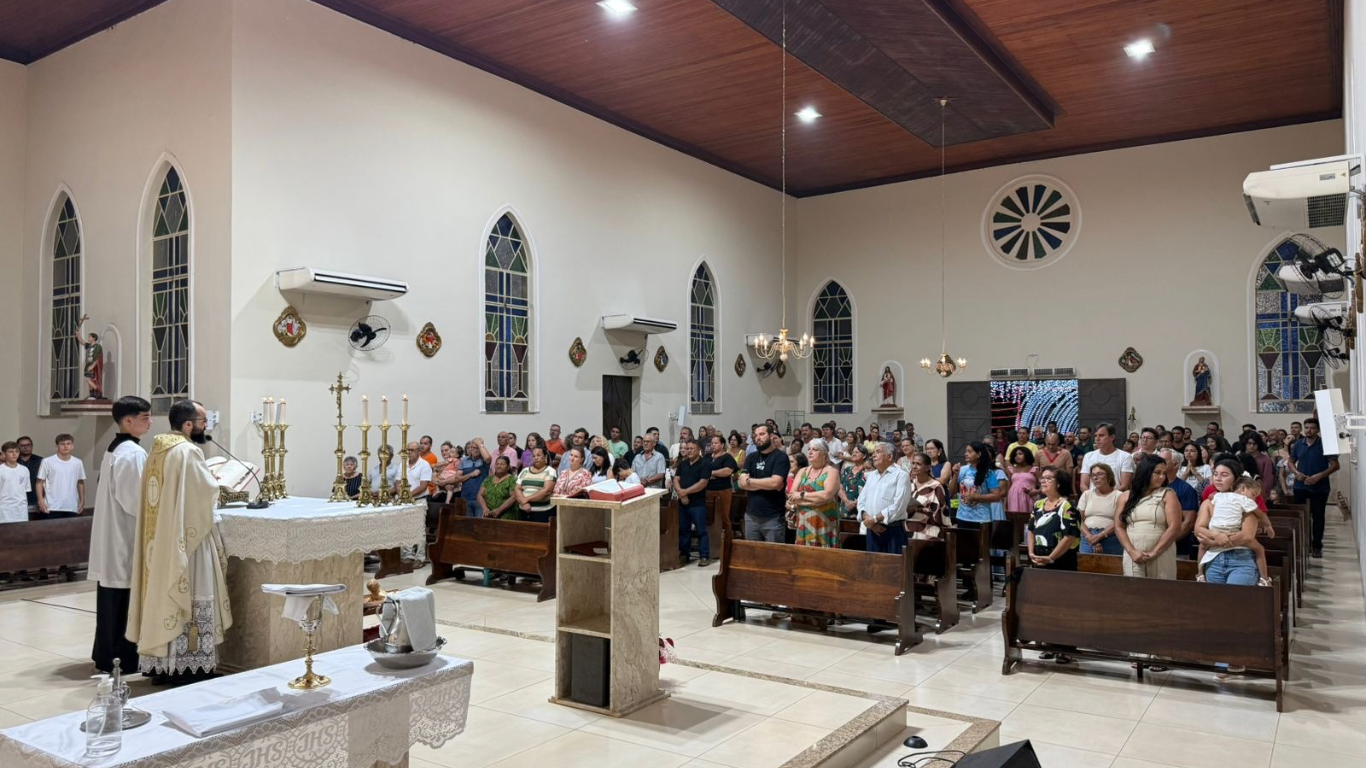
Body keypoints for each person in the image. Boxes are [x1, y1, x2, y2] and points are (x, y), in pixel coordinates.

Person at [127, 399, 231, 677]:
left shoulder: (157, 449)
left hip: (160, 540)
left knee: (162, 594)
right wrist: (217, 484)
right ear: (187, 424)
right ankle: (188, 668)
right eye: (202, 422)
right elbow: (203, 495)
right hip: (186, 541)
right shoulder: (187, 451)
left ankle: (163, 666)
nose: (205, 426)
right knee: (192, 591)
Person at [88, 395, 152, 675]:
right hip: (124, 538)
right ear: (128, 421)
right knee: (123, 601)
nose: (150, 422)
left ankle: (106, 655)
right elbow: (135, 500)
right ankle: (121, 659)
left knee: (111, 602)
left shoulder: (115, 449)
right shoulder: (132, 453)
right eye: (145, 418)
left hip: (113, 535)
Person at [1114, 454, 1182, 580]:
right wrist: (1131, 551)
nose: (1162, 477)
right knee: (1134, 589)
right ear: (1145, 472)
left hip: (1161, 553)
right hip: (1133, 554)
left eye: (1164, 473)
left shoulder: (1168, 494)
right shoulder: (1125, 496)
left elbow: (1175, 527)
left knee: (1161, 589)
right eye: (1157, 472)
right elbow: (1118, 526)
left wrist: (1154, 552)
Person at [1196, 474, 1270, 585]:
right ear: (1243, 488)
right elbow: (1198, 530)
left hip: (1240, 556)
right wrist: (1268, 525)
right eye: (1215, 474)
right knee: (1259, 549)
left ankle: (1199, 574)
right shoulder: (1221, 498)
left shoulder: (1240, 500)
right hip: (1215, 555)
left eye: (1224, 475)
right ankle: (1265, 579)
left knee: (1258, 548)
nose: (1218, 478)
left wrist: (1213, 542)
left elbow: (1246, 537)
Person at [1287, 416, 1339, 558]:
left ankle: (1316, 546)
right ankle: (1301, 544)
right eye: (1307, 428)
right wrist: (1296, 472)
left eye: (1312, 428)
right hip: (1301, 485)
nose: (1309, 430)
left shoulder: (1325, 444)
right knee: (1300, 516)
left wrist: (1319, 476)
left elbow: (1335, 465)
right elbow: (1291, 462)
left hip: (1320, 487)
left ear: (1318, 430)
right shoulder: (1298, 444)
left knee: (1318, 516)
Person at [738, 424, 790, 543]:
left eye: (762, 434)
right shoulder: (751, 457)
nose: (758, 438)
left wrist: (750, 482)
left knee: (773, 553)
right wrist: (767, 484)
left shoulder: (780, 457)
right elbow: (742, 483)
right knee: (753, 553)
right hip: (751, 515)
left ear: (771, 436)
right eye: (756, 435)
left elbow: (775, 483)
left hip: (773, 517)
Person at [858, 443, 909, 554]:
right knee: (873, 563)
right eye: (874, 452)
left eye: (878, 452)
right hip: (872, 530)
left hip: (892, 530)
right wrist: (869, 521)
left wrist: (874, 520)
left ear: (889, 457)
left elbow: (898, 506)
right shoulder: (871, 476)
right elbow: (861, 500)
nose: (873, 455)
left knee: (893, 564)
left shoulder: (901, 475)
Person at [788, 441, 840, 547]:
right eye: (809, 449)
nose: (810, 452)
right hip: (803, 523)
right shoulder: (802, 471)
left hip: (824, 523)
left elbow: (827, 495)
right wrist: (817, 501)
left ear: (824, 454)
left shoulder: (832, 472)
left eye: (815, 449)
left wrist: (802, 495)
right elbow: (792, 496)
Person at [1027, 467, 1079, 571]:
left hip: (1062, 560)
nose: (1043, 481)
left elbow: (1070, 536)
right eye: (1042, 478)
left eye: (1048, 478)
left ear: (1059, 483)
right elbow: (1031, 530)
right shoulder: (1038, 504)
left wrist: (1051, 558)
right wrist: (1031, 553)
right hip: (1039, 558)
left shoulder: (1068, 506)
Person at [949, 442, 1007, 528]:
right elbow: (951, 492)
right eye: (966, 451)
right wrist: (955, 475)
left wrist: (976, 497)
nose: (966, 454)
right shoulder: (963, 469)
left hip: (981, 518)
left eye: (969, 452)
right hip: (962, 516)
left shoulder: (988, 472)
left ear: (978, 454)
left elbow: (996, 496)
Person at [674, 440, 712, 565]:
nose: (688, 451)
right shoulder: (683, 464)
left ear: (699, 450)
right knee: (684, 529)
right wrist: (680, 493)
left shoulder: (705, 464)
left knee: (701, 530)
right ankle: (685, 554)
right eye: (687, 448)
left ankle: (704, 556)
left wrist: (685, 492)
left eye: (691, 449)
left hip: (697, 503)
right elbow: (676, 479)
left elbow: (702, 483)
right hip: (683, 502)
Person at [36, 433, 86, 518]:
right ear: (57, 446)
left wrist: (82, 500)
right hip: (51, 506)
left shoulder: (78, 462)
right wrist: (40, 501)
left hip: (71, 506)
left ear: (72, 446)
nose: (65, 446)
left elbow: (80, 482)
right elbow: (39, 483)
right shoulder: (47, 461)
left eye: (68, 444)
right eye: (62, 444)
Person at [1077, 463, 1122, 554]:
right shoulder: (1086, 494)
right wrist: (1090, 537)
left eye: (1099, 474)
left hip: (1111, 537)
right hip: (1088, 537)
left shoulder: (1119, 495)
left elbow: (1120, 521)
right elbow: (1078, 520)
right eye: (1093, 475)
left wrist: (1100, 535)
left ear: (1109, 476)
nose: (1095, 478)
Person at [1079, 423, 1134, 492]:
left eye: (1101, 435)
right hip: (1092, 496)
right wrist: (1091, 496)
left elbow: (1124, 486)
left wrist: (1107, 496)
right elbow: (1083, 484)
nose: (1097, 439)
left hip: (1116, 496)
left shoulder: (1125, 456)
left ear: (1112, 437)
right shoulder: (1088, 456)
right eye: (1095, 436)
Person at [905, 452, 947, 541]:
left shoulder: (936, 486)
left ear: (927, 468)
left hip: (928, 531)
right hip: (909, 529)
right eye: (913, 463)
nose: (914, 466)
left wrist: (917, 509)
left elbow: (939, 512)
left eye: (918, 464)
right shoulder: (910, 484)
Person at [514, 446, 557, 523]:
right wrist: (524, 503)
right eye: (533, 456)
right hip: (523, 511)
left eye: (538, 455)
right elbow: (517, 488)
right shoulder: (525, 471)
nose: (536, 458)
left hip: (543, 512)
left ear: (545, 457)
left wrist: (527, 499)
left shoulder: (550, 471)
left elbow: (547, 490)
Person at [1240, 432, 1276, 501]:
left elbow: (1267, 480)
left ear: (1258, 445)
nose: (1251, 446)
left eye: (1254, 444)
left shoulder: (1265, 460)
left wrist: (1264, 495)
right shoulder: (1240, 457)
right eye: (1249, 443)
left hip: (1258, 492)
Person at [0, 442, 30, 524]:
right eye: (10, 452)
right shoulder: (1, 470)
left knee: (21, 530)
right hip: (4, 509)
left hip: (21, 509)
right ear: (4, 454)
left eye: (16, 451)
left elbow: (25, 490)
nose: (14, 454)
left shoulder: (24, 470)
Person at [1004, 446, 1039, 515]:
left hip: (1029, 496)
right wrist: (1005, 503)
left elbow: (1042, 485)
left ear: (1027, 455)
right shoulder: (1011, 469)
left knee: (1030, 517)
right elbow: (1008, 487)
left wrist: (1036, 491)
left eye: (1020, 454)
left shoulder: (1035, 469)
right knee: (1015, 518)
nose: (1017, 456)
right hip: (1013, 497)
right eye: (1015, 455)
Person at [460, 439, 490, 515]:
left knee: (479, 522)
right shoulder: (464, 460)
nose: (475, 450)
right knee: (466, 522)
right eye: (473, 448)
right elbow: (457, 478)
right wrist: (471, 474)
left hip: (480, 499)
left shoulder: (483, 460)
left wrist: (479, 444)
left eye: (477, 448)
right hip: (465, 497)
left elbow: (487, 458)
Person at [838, 444, 868, 519]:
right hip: (845, 507)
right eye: (853, 452)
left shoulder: (868, 471)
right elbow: (840, 488)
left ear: (864, 456)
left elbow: (871, 490)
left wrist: (855, 503)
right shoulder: (847, 470)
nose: (853, 454)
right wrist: (847, 501)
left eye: (857, 452)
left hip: (862, 509)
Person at [15, 436, 42, 516]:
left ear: (32, 446)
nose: (26, 447)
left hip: (37, 501)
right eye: (22, 446)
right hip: (17, 501)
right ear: (17, 447)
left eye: (28, 445)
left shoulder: (41, 461)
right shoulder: (13, 461)